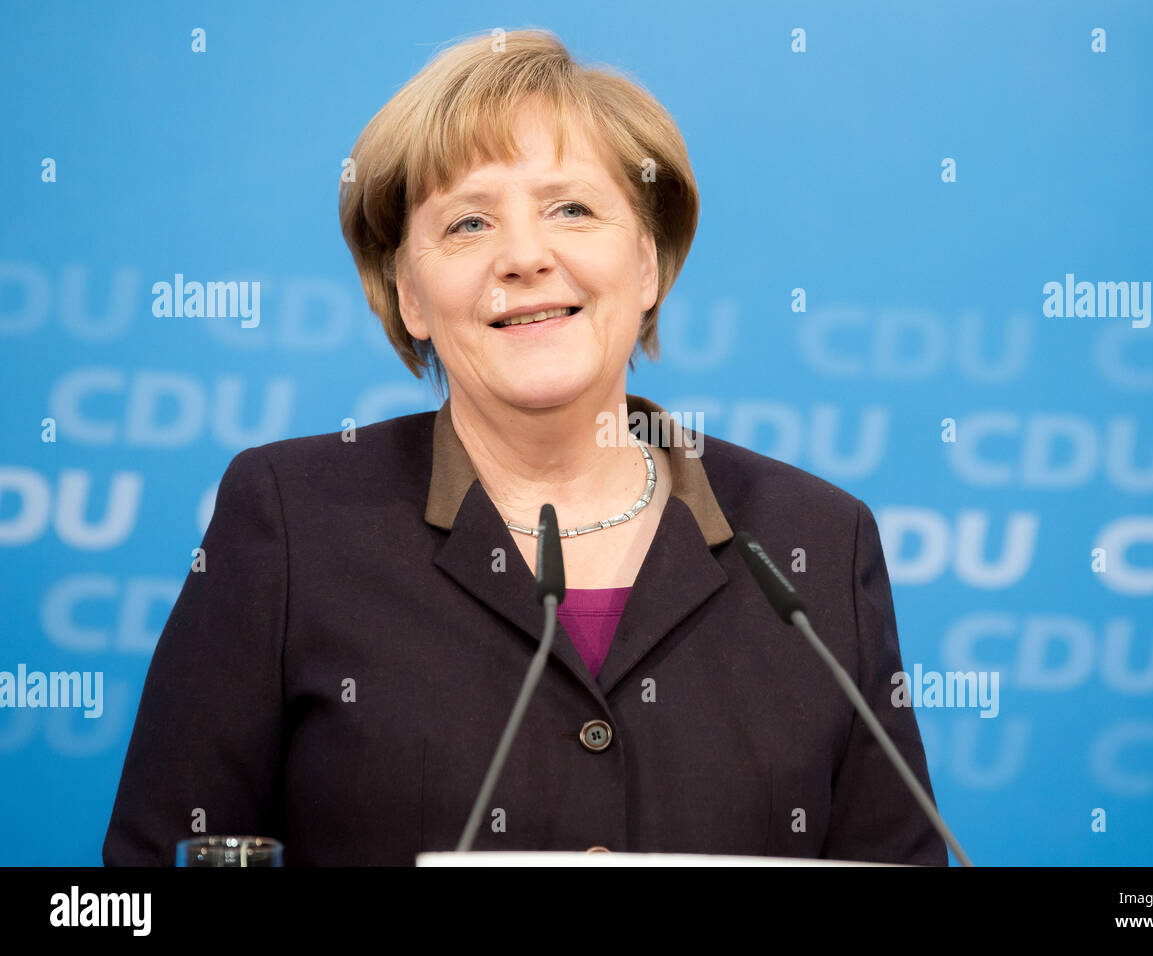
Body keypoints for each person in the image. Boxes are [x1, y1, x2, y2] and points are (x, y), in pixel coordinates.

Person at [102, 28, 946, 866]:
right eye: (468, 224)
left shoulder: (819, 543)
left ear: (648, 264)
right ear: (411, 299)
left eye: (571, 209)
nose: (525, 256)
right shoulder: (292, 521)